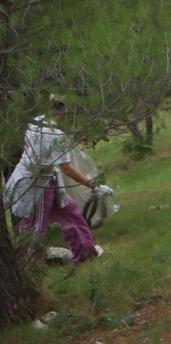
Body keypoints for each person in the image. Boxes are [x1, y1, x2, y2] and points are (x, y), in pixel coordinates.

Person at [5, 96, 102, 263]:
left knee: (70, 213)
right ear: (63, 110)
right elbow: (67, 168)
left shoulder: (36, 122)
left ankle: (85, 252)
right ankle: (29, 264)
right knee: (35, 226)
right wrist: (92, 185)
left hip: (48, 180)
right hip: (38, 185)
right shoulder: (54, 134)